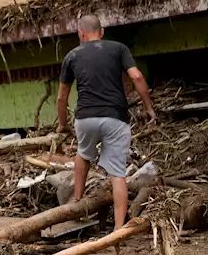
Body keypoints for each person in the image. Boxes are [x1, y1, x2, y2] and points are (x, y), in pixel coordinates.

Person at [56, 14, 157, 232]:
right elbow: (137, 77)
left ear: (80, 34)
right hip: (115, 118)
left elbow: (61, 97)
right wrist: (148, 107)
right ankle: (119, 229)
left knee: (83, 153)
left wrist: (63, 124)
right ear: (101, 32)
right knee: (117, 173)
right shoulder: (118, 48)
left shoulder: (72, 55)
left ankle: (78, 198)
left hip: (85, 118)